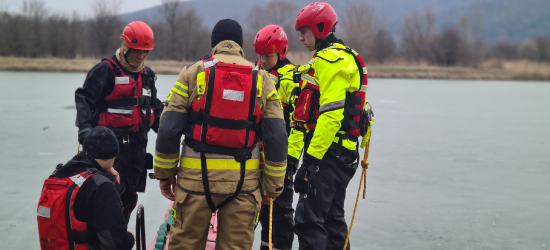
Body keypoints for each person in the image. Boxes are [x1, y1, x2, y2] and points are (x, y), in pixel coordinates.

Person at [153, 19, 288, 250]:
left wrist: (165, 175)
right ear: (241, 45)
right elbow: (277, 137)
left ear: (214, 43)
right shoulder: (263, 79)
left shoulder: (192, 73)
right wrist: (273, 187)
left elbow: (168, 128)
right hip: (244, 186)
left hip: (194, 184)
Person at [292, 2, 370, 249]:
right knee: (332, 221)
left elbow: (331, 116)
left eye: (304, 32)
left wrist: (309, 163)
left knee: (307, 220)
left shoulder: (329, 60)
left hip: (328, 156)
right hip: (345, 155)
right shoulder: (346, 57)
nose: (301, 38)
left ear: (320, 28)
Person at [74, 21, 163, 222]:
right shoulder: (105, 70)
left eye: (144, 52)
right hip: (108, 154)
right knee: (106, 204)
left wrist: (171, 132)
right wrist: (85, 133)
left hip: (136, 155)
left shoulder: (147, 76)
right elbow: (84, 99)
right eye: (136, 51)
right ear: (125, 46)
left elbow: (154, 110)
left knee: (128, 203)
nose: (140, 56)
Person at [37, 127, 136, 250]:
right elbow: (116, 244)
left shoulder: (57, 176)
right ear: (109, 157)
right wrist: (130, 238)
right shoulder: (101, 186)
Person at [253, 24, 304, 250]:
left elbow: (298, 124)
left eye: (268, 56)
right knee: (250, 211)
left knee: (280, 215)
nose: (263, 60)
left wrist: (291, 160)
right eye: (260, 55)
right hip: (254, 157)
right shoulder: (255, 73)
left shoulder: (292, 78)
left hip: (279, 159)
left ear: (280, 52)